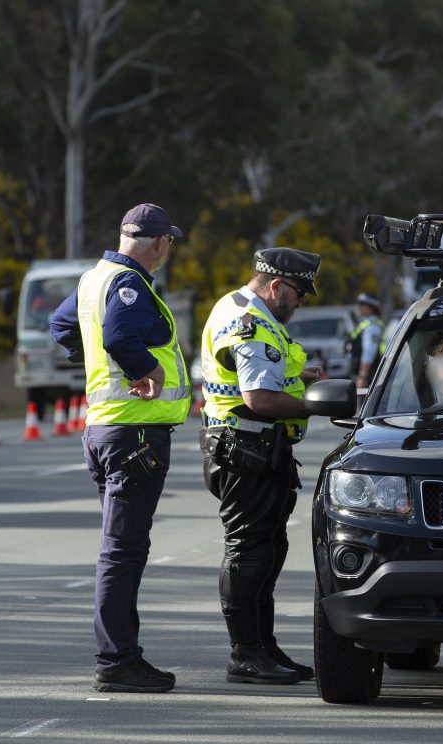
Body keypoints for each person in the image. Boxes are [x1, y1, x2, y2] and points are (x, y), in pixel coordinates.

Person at [49, 203, 191, 694]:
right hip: (133, 433)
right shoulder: (129, 284)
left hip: (107, 431)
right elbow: (117, 335)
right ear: (157, 244)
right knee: (122, 553)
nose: (168, 248)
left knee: (123, 551)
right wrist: (140, 370)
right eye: (168, 241)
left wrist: (97, 363)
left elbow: (61, 326)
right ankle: (116, 660)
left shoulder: (95, 277)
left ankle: (123, 654)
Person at [199, 247, 324, 685]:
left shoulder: (242, 308)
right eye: (299, 294)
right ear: (276, 286)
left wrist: (300, 379)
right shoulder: (250, 324)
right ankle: (245, 652)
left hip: (256, 449)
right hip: (245, 451)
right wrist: (312, 405)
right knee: (249, 550)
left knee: (269, 549)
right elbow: (259, 398)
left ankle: (263, 645)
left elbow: (261, 381)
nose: (301, 302)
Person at [349, 293, 384, 388]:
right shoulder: (366, 323)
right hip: (365, 372)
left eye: (362, 305)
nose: (358, 307)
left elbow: (369, 352)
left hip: (369, 374)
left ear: (371, 308)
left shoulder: (372, 326)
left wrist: (362, 376)